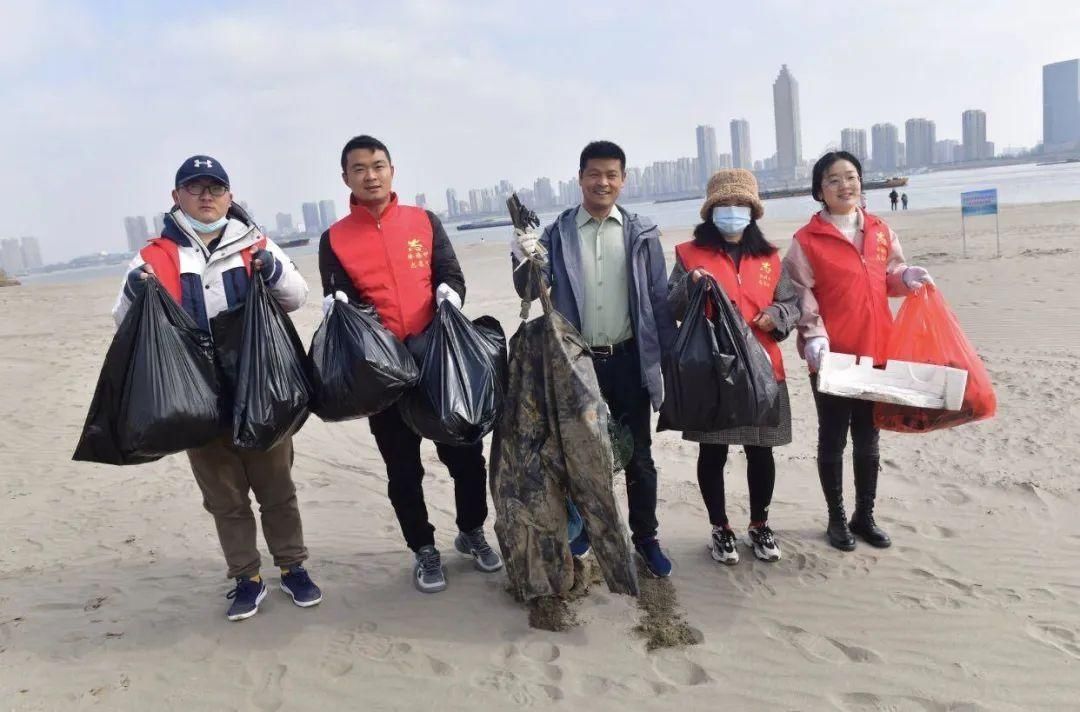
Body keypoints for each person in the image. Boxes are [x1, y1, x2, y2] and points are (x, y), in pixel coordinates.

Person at [112, 155, 320, 621]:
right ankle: (246, 578)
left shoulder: (256, 242)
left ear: (230, 195)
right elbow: (123, 322)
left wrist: (272, 271)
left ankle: (293, 567)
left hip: (259, 387)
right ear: (176, 196)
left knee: (277, 487)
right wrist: (132, 289)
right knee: (225, 496)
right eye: (195, 187)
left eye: (216, 188)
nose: (206, 196)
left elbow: (297, 297)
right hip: (194, 395)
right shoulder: (153, 256)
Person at [318, 135, 503, 594]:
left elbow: (450, 272)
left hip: (437, 360)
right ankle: (423, 548)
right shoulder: (334, 238)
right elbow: (338, 294)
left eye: (378, 165)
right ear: (346, 178)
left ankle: (471, 530)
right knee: (403, 470)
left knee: (465, 454)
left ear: (392, 170)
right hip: (383, 373)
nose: (370, 175)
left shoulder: (423, 221)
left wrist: (449, 295)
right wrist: (337, 302)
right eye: (359, 168)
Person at [512, 140, 678, 577]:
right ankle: (581, 527)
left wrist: (669, 364)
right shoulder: (557, 233)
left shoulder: (641, 233)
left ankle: (646, 538)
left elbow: (658, 303)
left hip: (628, 360)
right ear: (580, 177)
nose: (602, 182)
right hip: (577, 365)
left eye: (611, 174)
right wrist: (523, 257)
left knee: (638, 455)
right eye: (594, 174)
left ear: (623, 180)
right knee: (576, 453)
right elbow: (532, 290)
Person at [783, 151, 934, 551]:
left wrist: (907, 277)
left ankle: (864, 516)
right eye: (833, 179)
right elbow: (800, 292)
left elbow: (890, 277)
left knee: (868, 439)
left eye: (850, 177)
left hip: (876, 351)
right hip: (831, 357)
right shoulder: (807, 240)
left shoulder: (880, 231)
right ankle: (836, 519)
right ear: (820, 190)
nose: (844, 185)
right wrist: (813, 334)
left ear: (861, 182)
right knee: (832, 438)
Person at [666, 170, 799, 565]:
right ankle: (720, 528)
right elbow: (671, 306)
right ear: (710, 212)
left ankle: (759, 523)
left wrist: (777, 315)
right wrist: (690, 283)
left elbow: (793, 304)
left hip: (763, 371)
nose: (732, 212)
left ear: (753, 211)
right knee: (713, 452)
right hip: (712, 372)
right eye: (724, 206)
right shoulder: (689, 255)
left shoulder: (770, 257)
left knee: (762, 451)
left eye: (740, 205)